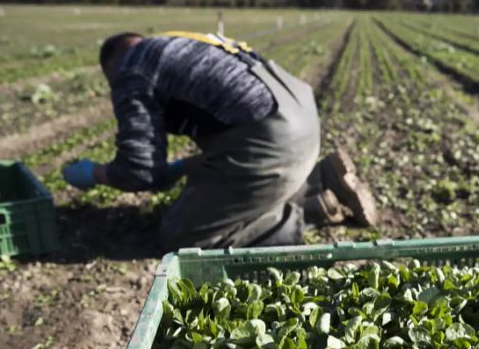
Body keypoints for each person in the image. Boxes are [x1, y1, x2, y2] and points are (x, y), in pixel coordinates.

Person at [62, 31, 377, 250]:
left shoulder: (130, 71)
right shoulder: (180, 43)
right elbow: (227, 124)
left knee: (181, 238)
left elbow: (139, 171)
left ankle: (313, 211)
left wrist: (94, 174)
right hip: (301, 117)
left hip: (269, 140)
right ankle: (321, 177)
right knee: (231, 180)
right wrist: (179, 168)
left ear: (111, 67)